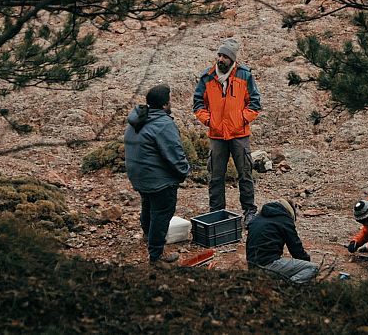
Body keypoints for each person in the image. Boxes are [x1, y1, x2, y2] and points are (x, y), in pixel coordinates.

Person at [193, 38, 262, 227]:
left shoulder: (244, 75)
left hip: (239, 135)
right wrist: (209, 121)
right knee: (216, 177)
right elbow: (198, 103)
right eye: (219, 55)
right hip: (216, 136)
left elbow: (255, 103)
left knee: (245, 174)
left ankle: (249, 211)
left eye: (225, 56)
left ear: (232, 59)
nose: (220, 59)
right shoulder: (207, 77)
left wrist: (240, 120)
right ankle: (217, 214)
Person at [124, 84, 190, 266]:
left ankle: (147, 234)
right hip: (158, 180)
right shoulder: (163, 124)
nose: (171, 102)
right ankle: (156, 255)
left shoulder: (137, 119)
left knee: (148, 203)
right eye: (169, 99)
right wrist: (184, 171)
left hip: (138, 176)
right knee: (162, 212)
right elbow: (174, 154)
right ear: (164, 105)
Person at [246, 198, 319, 284]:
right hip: (268, 265)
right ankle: (288, 286)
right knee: (313, 268)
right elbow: (296, 249)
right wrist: (305, 262)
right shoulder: (284, 219)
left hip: (252, 267)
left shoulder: (258, 217)